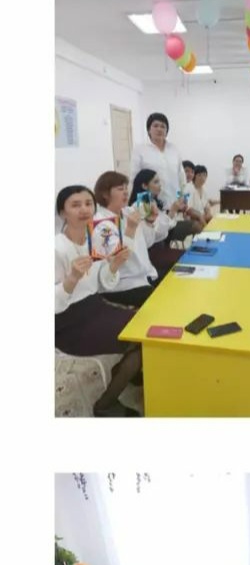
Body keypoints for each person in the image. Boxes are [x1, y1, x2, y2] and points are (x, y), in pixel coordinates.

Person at [54, 185, 142, 417]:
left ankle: (128, 370)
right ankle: (105, 405)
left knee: (146, 326)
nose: (84, 209)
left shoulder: (96, 239)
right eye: (75, 205)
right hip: (67, 323)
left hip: (95, 307)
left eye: (88, 204)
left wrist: (114, 265)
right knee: (141, 342)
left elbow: (103, 283)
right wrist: (71, 279)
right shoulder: (56, 248)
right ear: (62, 212)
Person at [93, 170, 161, 309]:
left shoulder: (129, 212)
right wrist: (130, 229)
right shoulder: (100, 223)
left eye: (126, 188)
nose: (125, 192)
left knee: (173, 283)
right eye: (120, 189)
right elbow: (119, 257)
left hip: (142, 275)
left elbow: (148, 243)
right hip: (120, 283)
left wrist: (149, 221)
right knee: (159, 303)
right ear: (105, 194)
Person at [130, 112, 192, 241]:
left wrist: (184, 198)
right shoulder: (140, 150)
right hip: (152, 205)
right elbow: (134, 178)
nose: (159, 129)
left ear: (167, 130)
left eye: (163, 126)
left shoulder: (174, 149)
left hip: (173, 204)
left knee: (171, 235)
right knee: (156, 239)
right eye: (155, 126)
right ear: (149, 130)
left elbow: (181, 176)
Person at [128, 169, 184, 277]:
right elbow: (157, 235)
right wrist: (172, 211)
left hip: (159, 246)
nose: (160, 185)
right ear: (144, 186)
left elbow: (162, 229)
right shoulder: (142, 204)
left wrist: (173, 212)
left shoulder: (152, 201)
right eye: (156, 182)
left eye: (159, 182)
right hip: (150, 252)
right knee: (185, 257)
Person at [184, 165, 213, 230]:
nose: (202, 178)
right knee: (199, 226)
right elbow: (188, 209)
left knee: (212, 218)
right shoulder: (189, 188)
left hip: (201, 217)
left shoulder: (204, 190)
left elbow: (206, 205)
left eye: (204, 175)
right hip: (192, 218)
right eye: (199, 175)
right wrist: (201, 218)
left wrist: (208, 213)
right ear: (194, 176)